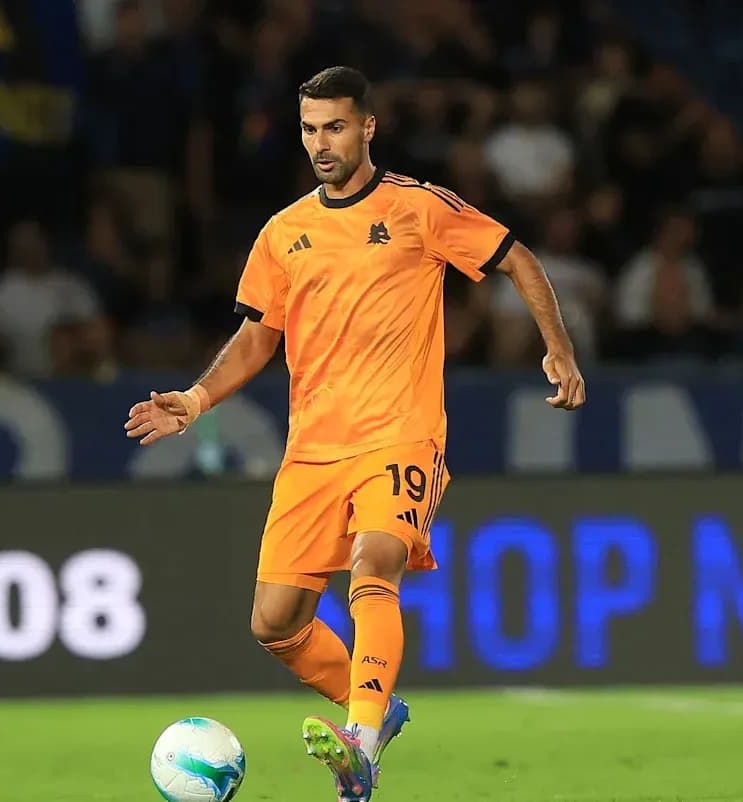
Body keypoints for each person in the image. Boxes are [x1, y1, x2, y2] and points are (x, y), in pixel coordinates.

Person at [124, 66, 585, 801]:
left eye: (334, 126)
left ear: (367, 127)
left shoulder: (418, 207)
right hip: (313, 450)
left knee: (376, 562)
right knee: (275, 625)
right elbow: (255, 337)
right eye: (309, 129)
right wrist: (197, 397)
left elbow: (516, 258)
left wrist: (557, 346)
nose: (320, 143)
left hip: (400, 435)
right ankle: (378, 709)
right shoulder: (284, 232)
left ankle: (361, 744)